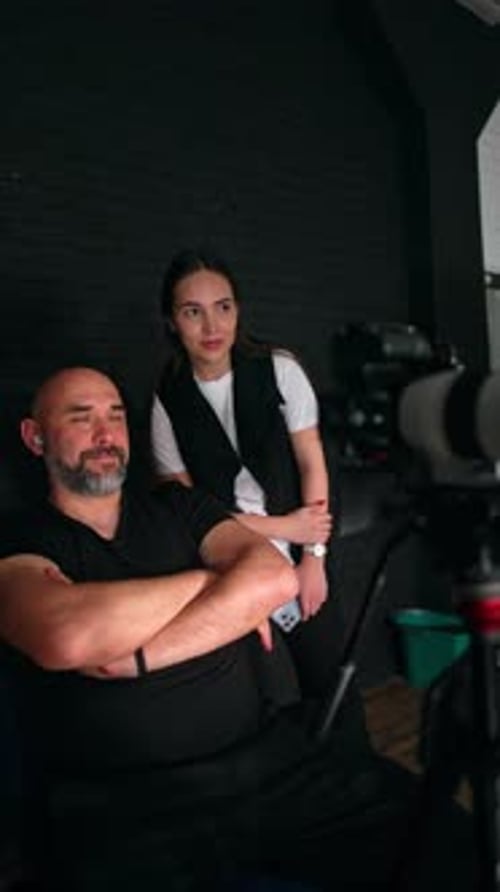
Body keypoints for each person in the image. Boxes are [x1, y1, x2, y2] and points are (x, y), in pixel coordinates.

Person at [0, 366, 475, 892]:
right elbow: (66, 635)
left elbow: (274, 579)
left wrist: (135, 656)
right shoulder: (19, 537)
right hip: (125, 807)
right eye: (81, 417)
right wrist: (216, 584)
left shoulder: (178, 506)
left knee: (449, 843)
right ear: (35, 436)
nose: (106, 433)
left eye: (115, 415)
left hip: (268, 766)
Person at [152, 249, 340, 699]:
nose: (212, 327)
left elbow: (312, 462)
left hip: (304, 555)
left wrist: (313, 555)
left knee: (331, 685)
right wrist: (281, 527)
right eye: (192, 312)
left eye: (223, 307)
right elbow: (185, 508)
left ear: (238, 310)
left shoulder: (280, 369)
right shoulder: (167, 400)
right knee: (264, 696)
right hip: (231, 569)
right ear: (171, 322)